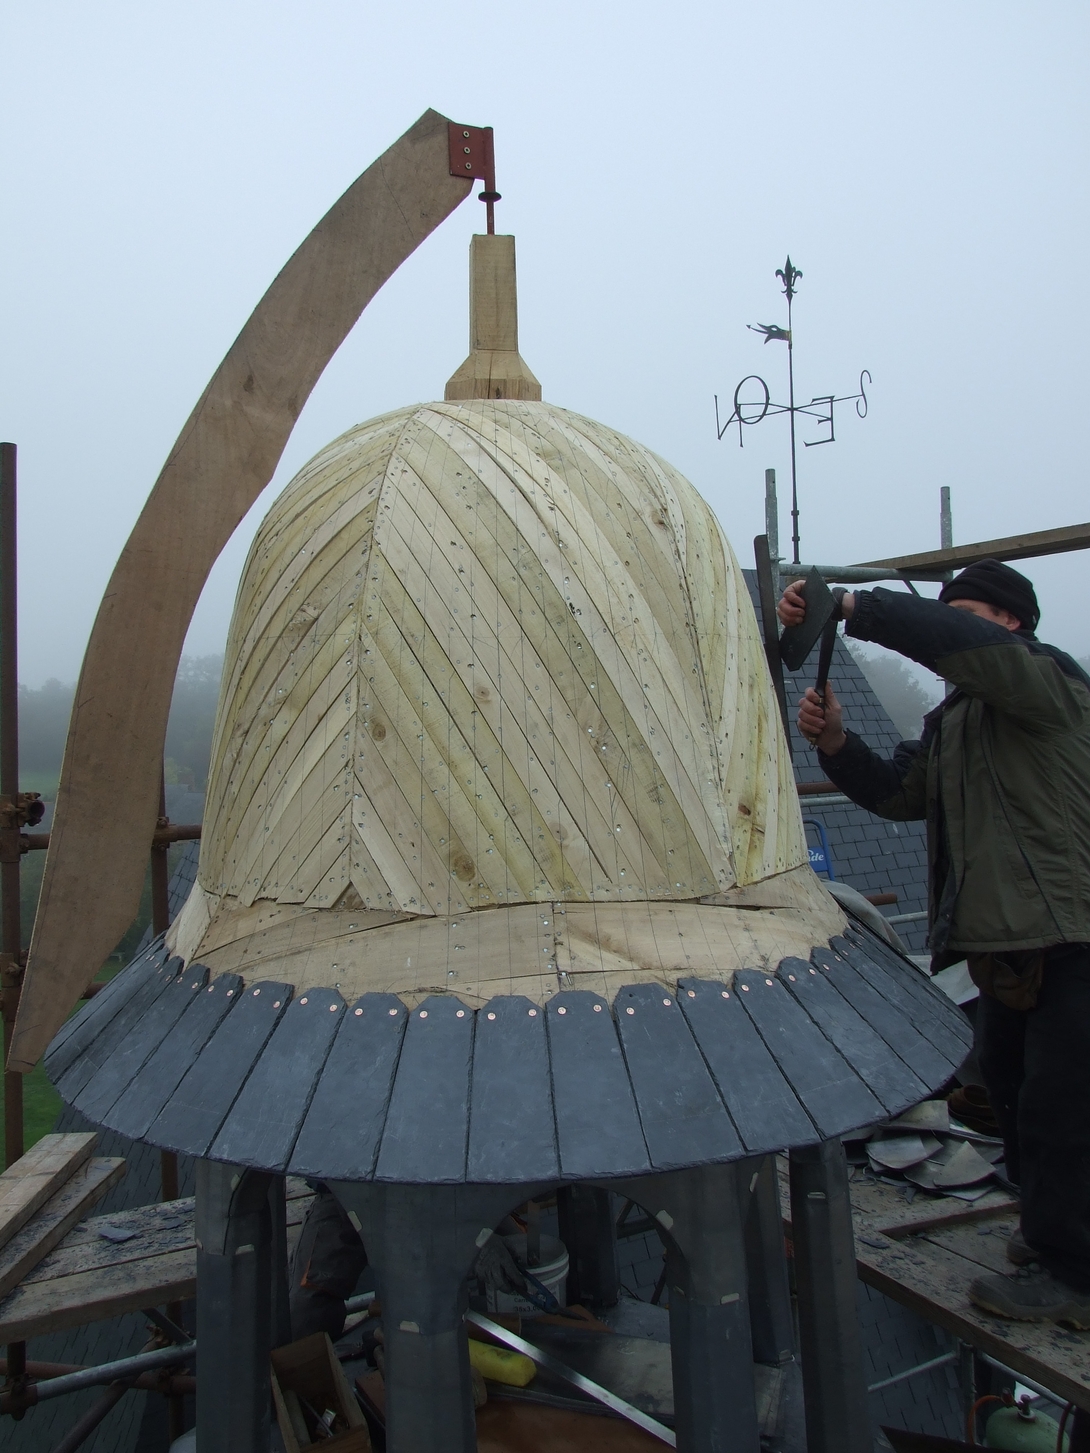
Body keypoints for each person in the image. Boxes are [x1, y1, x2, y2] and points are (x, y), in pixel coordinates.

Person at [777, 559, 1090, 1328]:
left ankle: (1078, 1275)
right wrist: (842, 743)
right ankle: (1051, 1237)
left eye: (976, 613)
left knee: (1067, 1110)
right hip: (1008, 944)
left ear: (1013, 625)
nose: (958, 626)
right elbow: (897, 795)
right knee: (1015, 1102)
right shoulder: (955, 722)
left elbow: (950, 640)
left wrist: (850, 605)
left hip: (1074, 934)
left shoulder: (1045, 683)